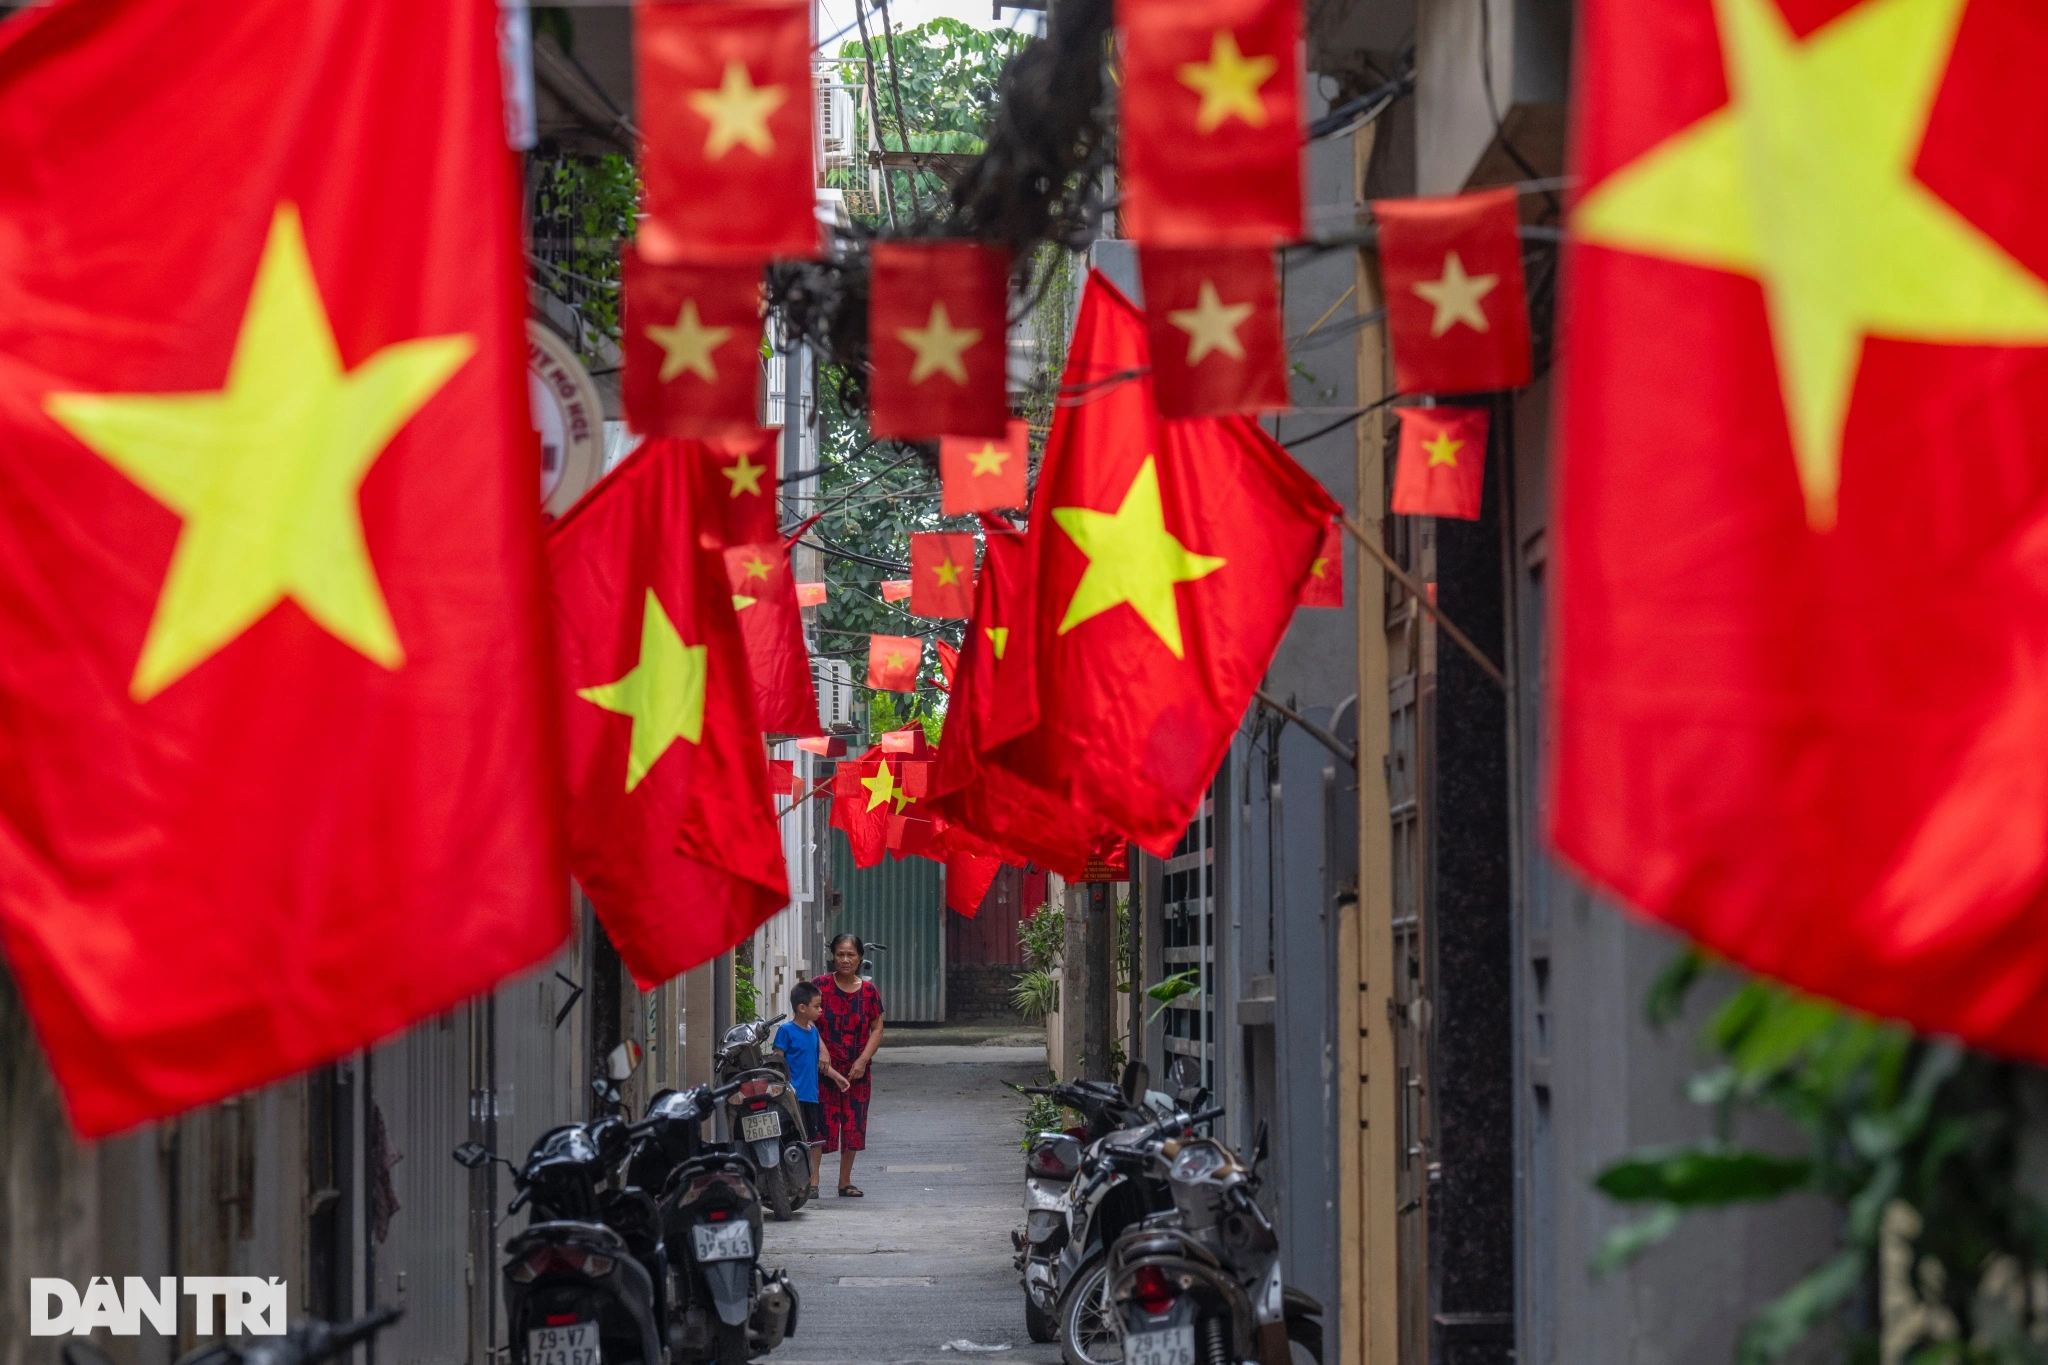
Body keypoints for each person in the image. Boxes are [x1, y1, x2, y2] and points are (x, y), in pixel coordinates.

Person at [814, 933, 884, 1197]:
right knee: (820, 1123)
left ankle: (845, 1182)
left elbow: (877, 1028)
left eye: (850, 954)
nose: (845, 959)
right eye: (840, 954)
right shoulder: (819, 986)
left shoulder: (869, 992)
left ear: (860, 958)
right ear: (832, 956)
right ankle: (813, 1181)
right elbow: (807, 1022)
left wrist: (863, 1060)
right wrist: (821, 1052)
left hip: (857, 1071)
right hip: (823, 1069)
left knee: (853, 1123)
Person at [771, 981, 847, 1200]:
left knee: (814, 1139)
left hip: (811, 1096)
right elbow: (778, 1061)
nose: (820, 1010)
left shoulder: (813, 1032)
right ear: (802, 1008)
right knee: (791, 1138)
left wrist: (837, 1077)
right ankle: (794, 1181)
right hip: (791, 1097)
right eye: (817, 1006)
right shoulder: (786, 1031)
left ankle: (813, 1182)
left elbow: (817, 1063)